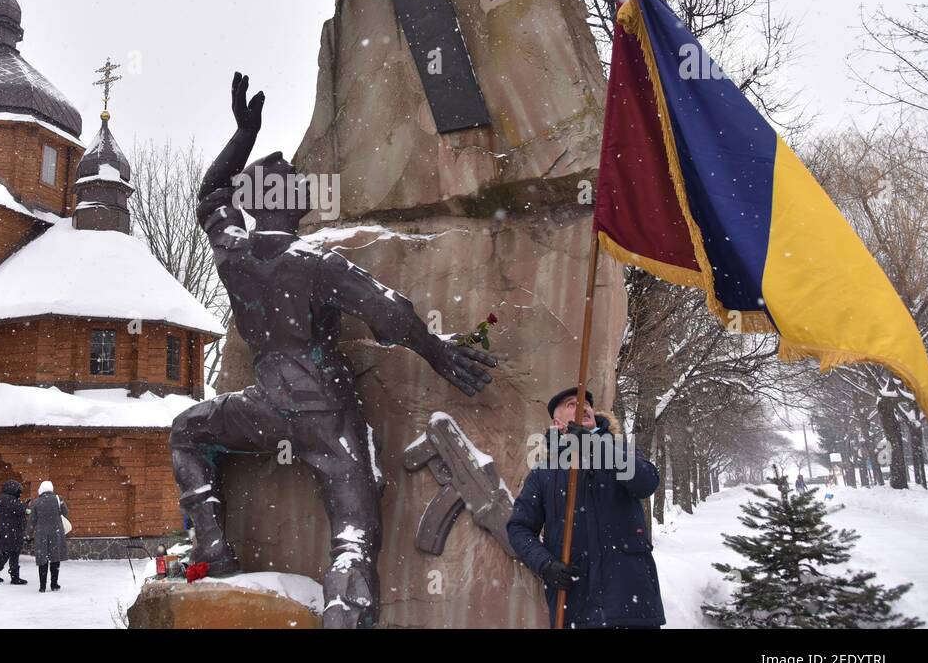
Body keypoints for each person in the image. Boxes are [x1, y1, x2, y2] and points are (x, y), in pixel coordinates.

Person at [168, 73, 497, 628]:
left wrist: (243, 135)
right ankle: (345, 610)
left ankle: (211, 546)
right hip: (327, 411)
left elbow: (208, 195)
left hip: (265, 405)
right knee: (352, 533)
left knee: (185, 430)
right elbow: (389, 312)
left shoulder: (234, 255)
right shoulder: (318, 264)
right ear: (296, 206)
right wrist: (436, 351)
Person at [506, 387, 666, 629]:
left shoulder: (621, 451)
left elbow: (647, 482)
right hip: (576, 608)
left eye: (587, 404)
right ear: (558, 423)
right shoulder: (544, 472)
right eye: (572, 404)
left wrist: (595, 446)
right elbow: (518, 528)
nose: (583, 407)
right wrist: (545, 564)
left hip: (632, 603)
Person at [26, 481, 70, 593]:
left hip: (42, 534)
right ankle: (54, 584)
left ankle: (42, 586)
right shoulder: (58, 499)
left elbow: (32, 521)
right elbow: (65, 513)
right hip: (56, 533)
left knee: (43, 560)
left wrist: (28, 534)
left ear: (41, 490)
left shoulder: (36, 502)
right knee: (55, 559)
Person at [0, 479, 28, 584]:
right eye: (18, 490)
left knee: (5, 553)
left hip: (5, 531)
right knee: (14, 553)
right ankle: (14, 577)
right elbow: (19, 510)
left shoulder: (2, 498)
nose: (19, 493)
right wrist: (26, 504)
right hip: (12, 531)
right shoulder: (10, 499)